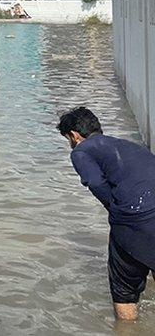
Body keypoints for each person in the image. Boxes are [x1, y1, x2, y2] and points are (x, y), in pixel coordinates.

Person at [58, 107, 155, 322]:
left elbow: (95, 182)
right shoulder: (128, 145)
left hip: (134, 219)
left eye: (68, 139)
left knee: (124, 290)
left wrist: (116, 210)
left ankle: (128, 329)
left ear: (74, 136)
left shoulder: (81, 151)